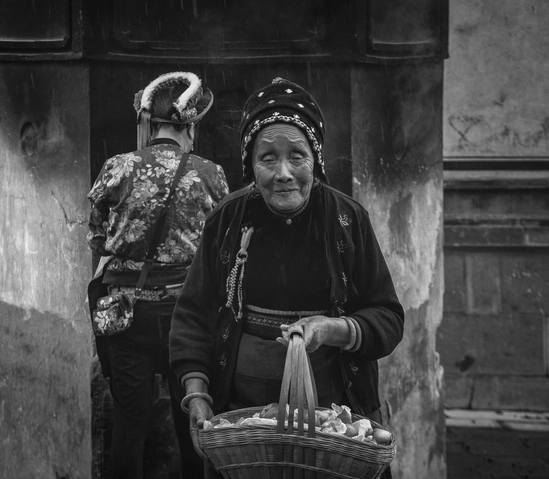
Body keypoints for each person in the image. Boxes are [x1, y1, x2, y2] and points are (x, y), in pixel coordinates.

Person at [169, 77, 404, 479]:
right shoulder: (227, 220)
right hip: (243, 422)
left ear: (316, 159)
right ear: (250, 164)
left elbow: (388, 319)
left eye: (297, 156)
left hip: (333, 423)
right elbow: (192, 316)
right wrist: (197, 394)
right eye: (267, 158)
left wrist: (334, 329)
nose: (283, 173)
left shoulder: (348, 220)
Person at [87, 71, 230, 479]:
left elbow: (96, 238)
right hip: (187, 318)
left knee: (129, 429)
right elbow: (222, 249)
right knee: (194, 424)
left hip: (125, 314)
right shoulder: (210, 174)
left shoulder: (117, 167)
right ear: (191, 126)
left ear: (150, 124)